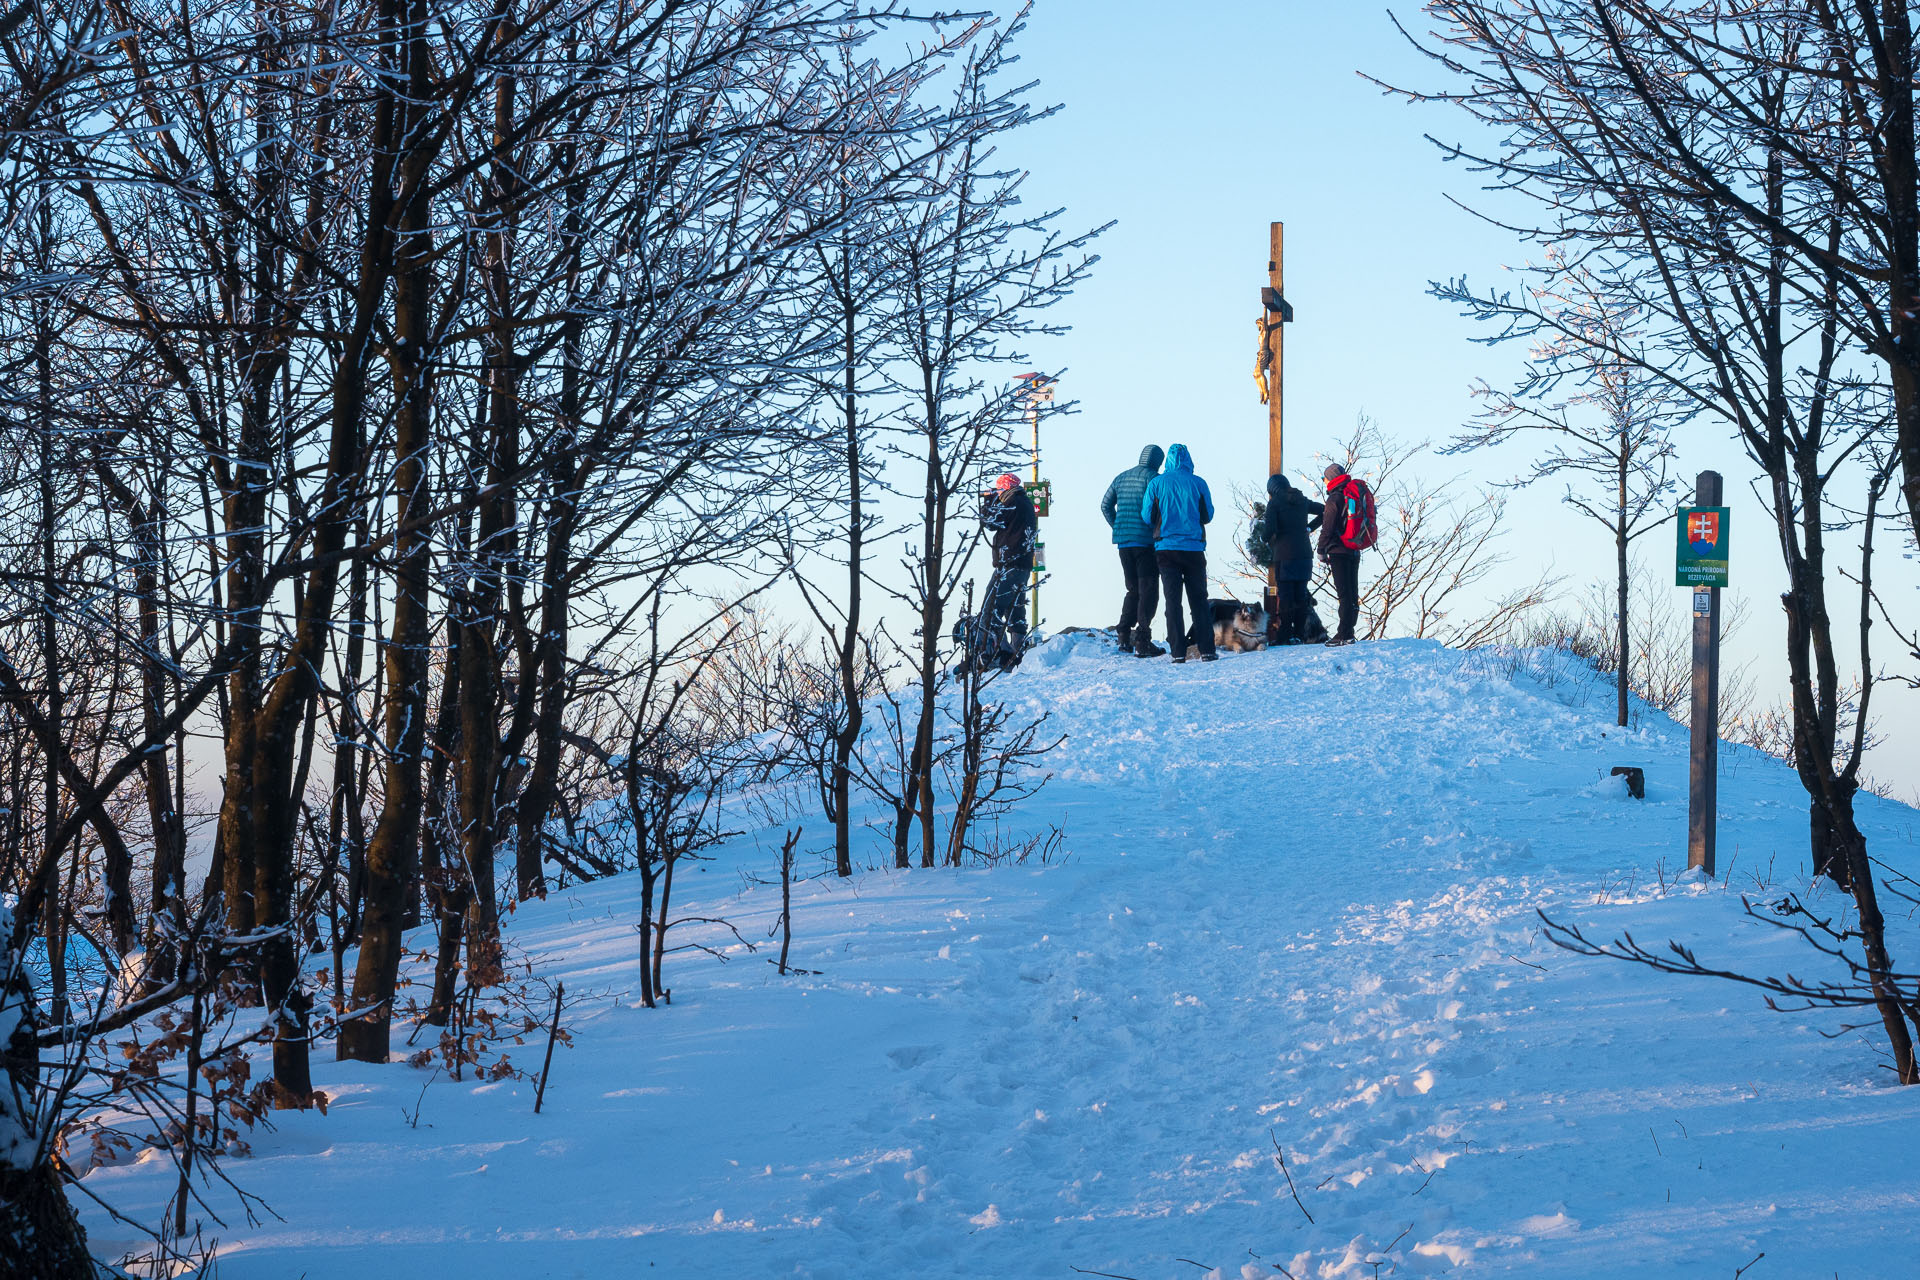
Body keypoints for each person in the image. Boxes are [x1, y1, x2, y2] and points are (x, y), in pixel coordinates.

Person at [1140, 443, 1217, 663]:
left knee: (1172, 602)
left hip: (1166, 549)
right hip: (1193, 549)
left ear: (1168, 461)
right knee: (1199, 600)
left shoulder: (1157, 483)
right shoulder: (1199, 483)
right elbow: (1207, 515)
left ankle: (1178, 652)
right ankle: (1207, 650)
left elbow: (1147, 516)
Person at [1099, 444, 1168, 657]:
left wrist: (1118, 526)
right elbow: (1160, 512)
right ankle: (1143, 640)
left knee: (1133, 590)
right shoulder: (1154, 480)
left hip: (1124, 542)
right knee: (1148, 591)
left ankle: (1123, 637)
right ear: (1157, 461)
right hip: (1146, 544)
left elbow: (1105, 505)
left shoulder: (1121, 477)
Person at [979, 472, 1037, 669]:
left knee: (992, 607)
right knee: (1015, 608)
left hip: (1009, 564)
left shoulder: (1012, 501)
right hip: (1022, 564)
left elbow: (989, 522)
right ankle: (1018, 651)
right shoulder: (1024, 502)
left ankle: (997, 653)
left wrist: (988, 502)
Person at [1315, 461, 1371, 646]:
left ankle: (1343, 634)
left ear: (1330, 478)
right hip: (1354, 547)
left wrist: (1321, 549)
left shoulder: (1335, 498)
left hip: (1338, 550)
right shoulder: (1351, 494)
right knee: (1352, 592)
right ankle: (1349, 631)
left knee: (1344, 594)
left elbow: (1328, 527)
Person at [1261, 473, 1318, 643]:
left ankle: (1285, 635)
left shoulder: (1274, 503)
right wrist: (1309, 528)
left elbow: (1269, 530)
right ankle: (1299, 634)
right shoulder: (1302, 499)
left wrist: (1263, 538)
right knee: (1300, 596)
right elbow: (1324, 510)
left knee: (1286, 597)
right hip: (1305, 555)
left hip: (1285, 556)